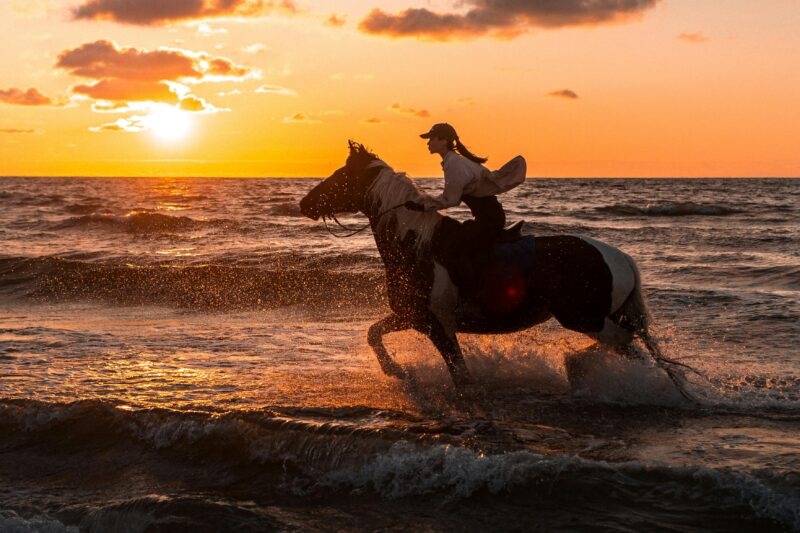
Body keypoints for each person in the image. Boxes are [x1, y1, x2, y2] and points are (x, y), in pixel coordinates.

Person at [407, 122, 527, 287]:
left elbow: (451, 200)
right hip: (488, 216)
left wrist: (422, 207)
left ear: (443, 141)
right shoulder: (454, 161)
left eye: (431, 139)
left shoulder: (454, 164)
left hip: (488, 220)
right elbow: (450, 197)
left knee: (454, 249)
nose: (428, 143)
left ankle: (470, 291)